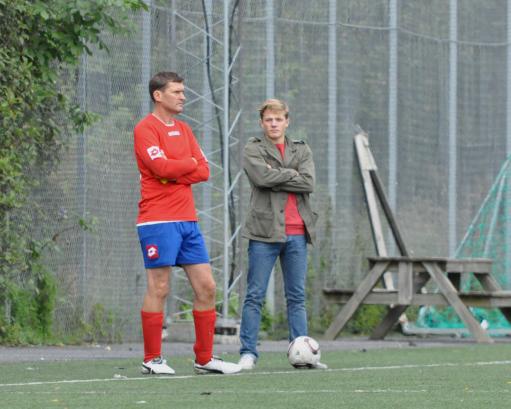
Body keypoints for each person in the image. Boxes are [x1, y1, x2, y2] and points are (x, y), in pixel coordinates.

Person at [133, 71, 241, 375]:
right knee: (160, 286)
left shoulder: (184, 129)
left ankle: (204, 359)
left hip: (187, 221)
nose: (183, 96)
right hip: (158, 220)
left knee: (207, 286)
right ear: (158, 95)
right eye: (177, 92)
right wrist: (183, 166)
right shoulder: (145, 129)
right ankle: (152, 359)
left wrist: (176, 170)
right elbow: (159, 167)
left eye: (183, 91)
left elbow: (203, 170)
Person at [238, 98, 326, 370]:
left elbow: (308, 183)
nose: (274, 124)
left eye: (278, 119)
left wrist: (276, 174)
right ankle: (248, 353)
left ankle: (302, 353)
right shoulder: (253, 148)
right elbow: (261, 179)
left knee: (296, 296)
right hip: (264, 233)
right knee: (254, 295)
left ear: (287, 121)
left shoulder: (301, 148)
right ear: (262, 123)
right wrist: (290, 175)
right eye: (269, 120)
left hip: (297, 232)